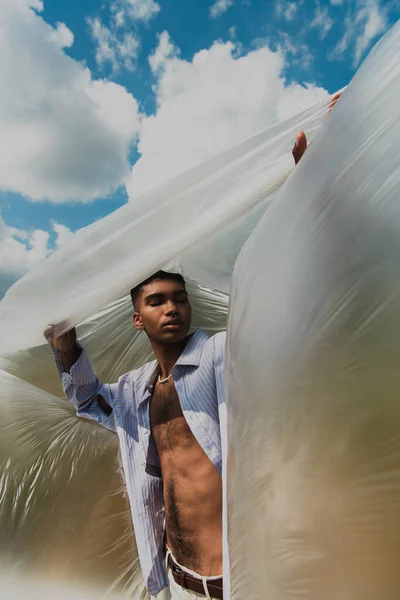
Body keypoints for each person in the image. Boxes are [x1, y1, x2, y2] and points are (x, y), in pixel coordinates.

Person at [46, 95, 341, 600]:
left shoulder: (223, 355)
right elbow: (87, 400)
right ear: (137, 319)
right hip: (177, 581)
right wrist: (66, 347)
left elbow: (284, 306)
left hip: (242, 582)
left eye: (179, 298)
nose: (172, 308)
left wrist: (305, 187)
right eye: (157, 301)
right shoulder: (136, 393)